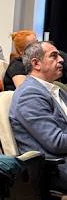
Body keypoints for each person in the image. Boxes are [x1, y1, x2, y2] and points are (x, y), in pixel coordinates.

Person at [10, 41, 67, 189]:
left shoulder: (56, 90)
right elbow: (56, 142)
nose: (61, 60)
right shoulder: (29, 94)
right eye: (53, 56)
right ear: (36, 64)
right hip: (54, 170)